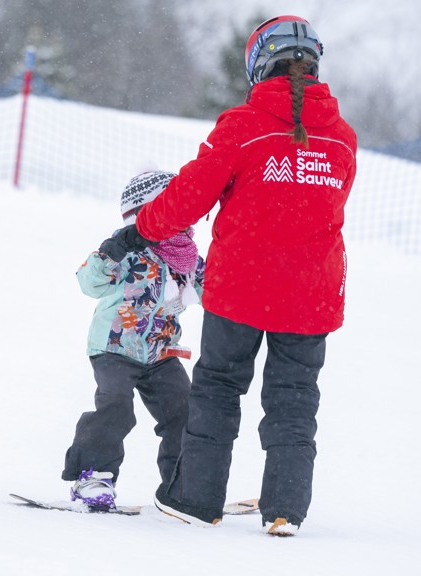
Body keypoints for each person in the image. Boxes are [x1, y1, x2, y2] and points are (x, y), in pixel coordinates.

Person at [135, 15, 357, 535]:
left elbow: (189, 197)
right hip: (310, 297)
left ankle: (196, 500)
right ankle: (285, 509)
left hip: (242, 288)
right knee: (295, 398)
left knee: (216, 389)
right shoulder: (343, 138)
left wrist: (145, 227)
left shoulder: (242, 127)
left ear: (259, 64)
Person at [62, 170, 205, 511]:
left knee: (184, 412)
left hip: (161, 352)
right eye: (174, 209)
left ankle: (181, 486)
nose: (183, 219)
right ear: (149, 213)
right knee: (116, 406)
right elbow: (89, 283)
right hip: (114, 347)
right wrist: (109, 253)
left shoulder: (187, 258)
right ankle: (93, 475)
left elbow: (213, 293)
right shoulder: (125, 250)